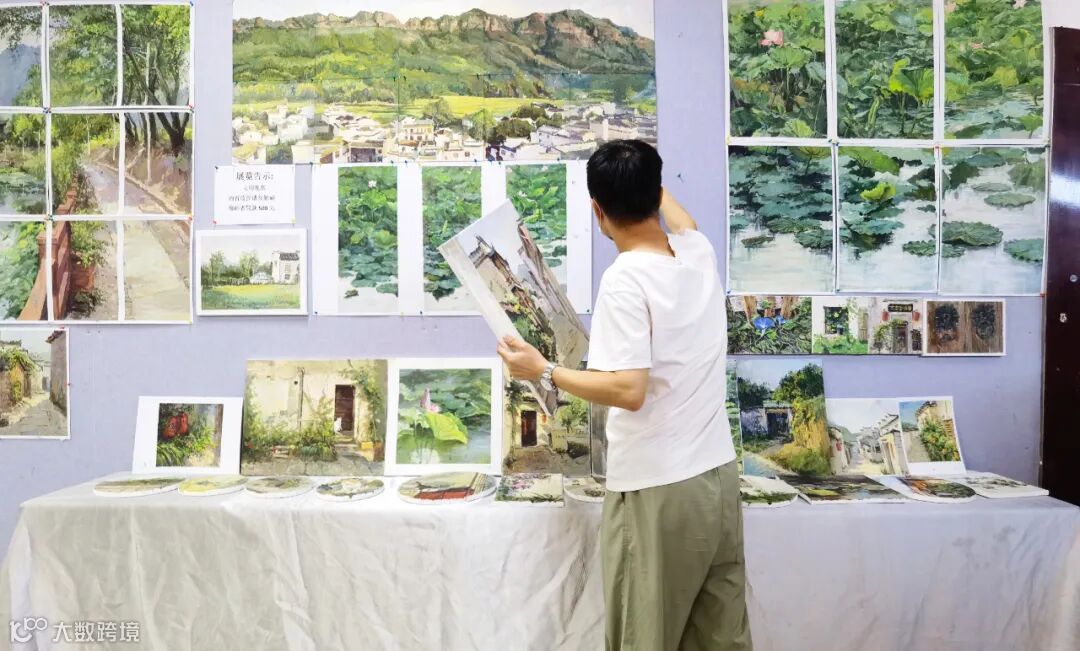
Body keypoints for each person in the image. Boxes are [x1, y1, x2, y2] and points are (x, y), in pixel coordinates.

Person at [497, 139, 751, 650]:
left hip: (658, 490)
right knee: (719, 639)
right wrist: (646, 179)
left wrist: (543, 370)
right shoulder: (697, 255)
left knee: (644, 638)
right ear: (656, 193)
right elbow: (684, 223)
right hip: (717, 481)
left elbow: (627, 389)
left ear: (597, 211)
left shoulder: (625, 280)